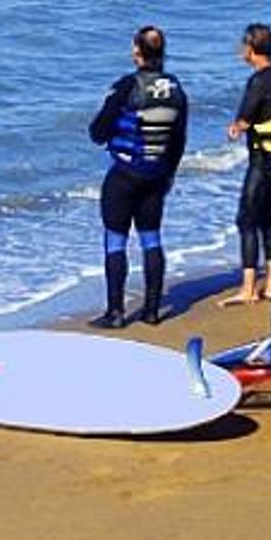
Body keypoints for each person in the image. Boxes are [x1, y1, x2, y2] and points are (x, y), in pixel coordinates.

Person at [86, 25, 188, 328]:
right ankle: (152, 310)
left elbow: (97, 132)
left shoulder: (126, 87)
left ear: (137, 53)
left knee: (115, 241)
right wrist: (168, 173)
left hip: (124, 177)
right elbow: (178, 139)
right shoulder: (176, 88)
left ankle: (115, 312)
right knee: (151, 238)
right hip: (156, 176)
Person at [221, 23, 271, 307]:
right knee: (267, 217)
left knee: (246, 218)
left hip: (263, 158)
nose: (241, 51)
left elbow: (244, 119)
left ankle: (249, 287)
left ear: (251, 50)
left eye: (243, 46)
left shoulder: (259, 81)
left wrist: (235, 128)